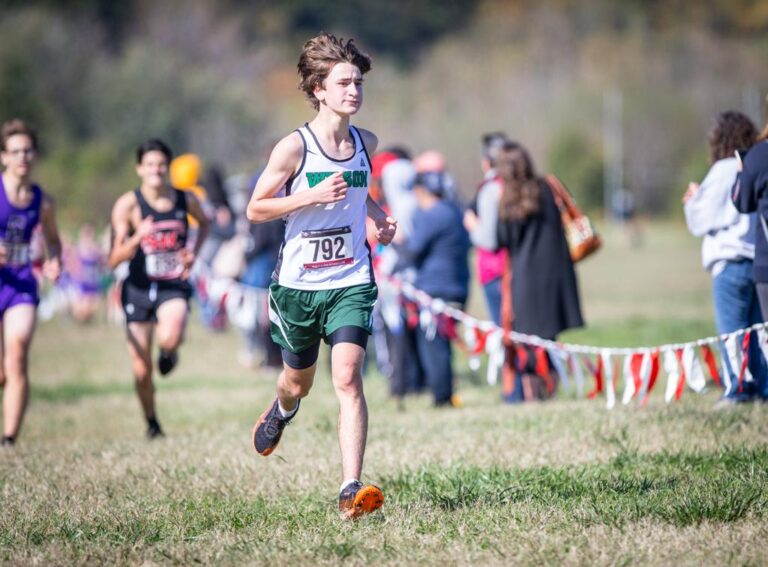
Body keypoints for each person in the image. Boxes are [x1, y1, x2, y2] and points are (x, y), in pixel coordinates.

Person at [246, 32, 396, 519]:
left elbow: (360, 195)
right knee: (297, 382)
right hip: (298, 287)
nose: (354, 91)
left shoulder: (365, 143)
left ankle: (350, 488)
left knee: (349, 378)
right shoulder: (294, 149)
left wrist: (376, 218)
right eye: (344, 83)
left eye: (358, 82)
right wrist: (308, 196)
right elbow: (256, 208)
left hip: (350, 278)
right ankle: (282, 410)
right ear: (318, 90)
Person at [108, 138, 209, 439]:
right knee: (141, 369)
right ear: (139, 168)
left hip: (172, 285)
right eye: (150, 164)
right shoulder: (128, 205)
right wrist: (137, 237)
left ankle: (170, 350)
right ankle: (152, 422)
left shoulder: (184, 199)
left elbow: (205, 224)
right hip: (137, 287)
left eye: (161, 164)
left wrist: (193, 250)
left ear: (169, 167)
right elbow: (114, 258)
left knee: (172, 333)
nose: (156, 170)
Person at [685, 110, 767, 404]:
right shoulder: (755, 164)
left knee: (732, 333)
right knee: (758, 332)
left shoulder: (721, 170)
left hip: (729, 265)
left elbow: (700, 220)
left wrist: (694, 199)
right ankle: (761, 387)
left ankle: (737, 390)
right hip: (757, 262)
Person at [496, 140, 584, 402]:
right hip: (556, 274)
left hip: (526, 277)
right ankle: (551, 390)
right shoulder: (547, 188)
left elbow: (502, 238)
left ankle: (535, 395)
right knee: (548, 339)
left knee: (527, 341)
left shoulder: (509, 198)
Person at [0, 118, 62, 446]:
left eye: (28, 151)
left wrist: (54, 261)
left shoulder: (44, 201)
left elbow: (53, 240)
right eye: (15, 151)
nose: (22, 157)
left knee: (18, 351)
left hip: (21, 284)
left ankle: (9, 437)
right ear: (3, 156)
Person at [397, 170, 470, 406]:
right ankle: (445, 392)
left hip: (436, 289)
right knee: (442, 344)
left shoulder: (433, 215)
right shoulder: (454, 211)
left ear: (421, 191)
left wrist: (395, 242)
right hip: (457, 285)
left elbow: (413, 251)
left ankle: (441, 396)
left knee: (433, 345)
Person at [464, 132, 508, 325]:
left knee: (505, 333)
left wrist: (473, 226)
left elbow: (488, 239)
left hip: (495, 270)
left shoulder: (491, 188)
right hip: (510, 269)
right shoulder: (513, 186)